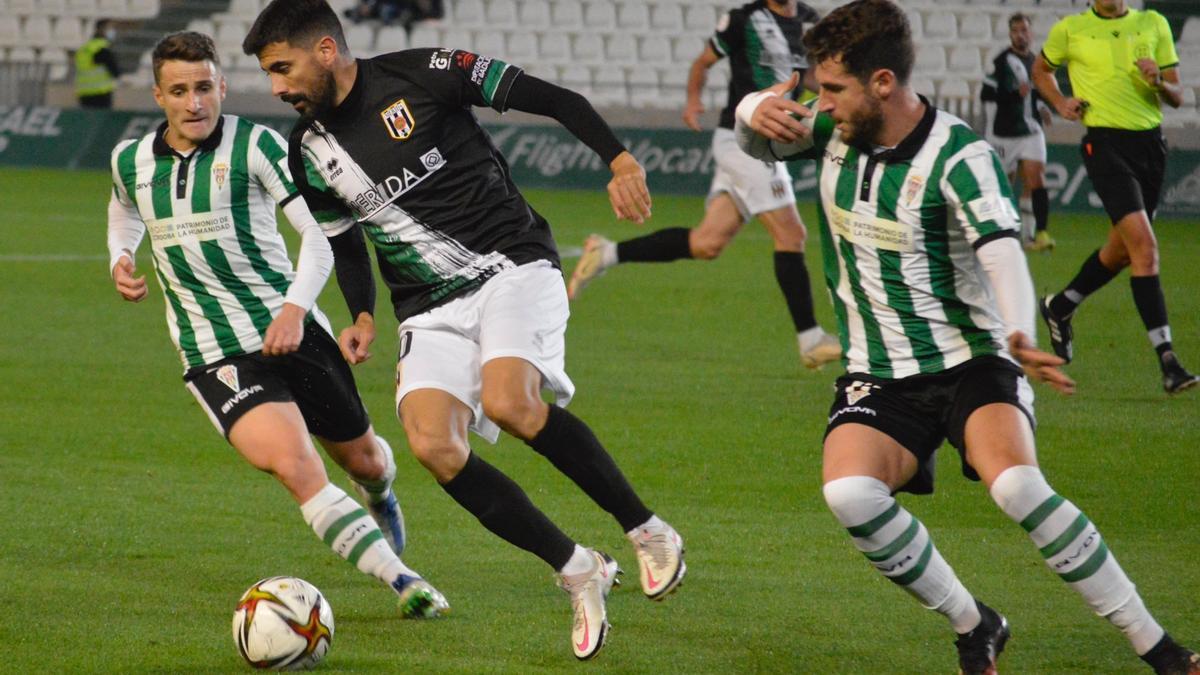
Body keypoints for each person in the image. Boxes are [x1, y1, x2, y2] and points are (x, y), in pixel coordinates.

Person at [735, 1, 1199, 672]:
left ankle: (1159, 648)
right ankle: (974, 619)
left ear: (884, 83)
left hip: (973, 357)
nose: (822, 102)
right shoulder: (832, 130)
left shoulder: (959, 154)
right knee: (849, 494)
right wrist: (754, 108)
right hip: (878, 367)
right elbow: (757, 135)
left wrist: (1017, 329)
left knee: (1015, 486)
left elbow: (1001, 249)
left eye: (834, 88)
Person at [242, 0, 685, 661]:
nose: (277, 87)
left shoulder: (426, 74)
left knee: (510, 400)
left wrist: (620, 160)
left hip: (510, 262)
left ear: (326, 51)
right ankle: (576, 568)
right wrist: (362, 313)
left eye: (283, 67)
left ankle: (647, 530)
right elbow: (346, 242)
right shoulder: (308, 150)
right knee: (433, 445)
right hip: (426, 305)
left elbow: (555, 97)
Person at [105, 31, 448, 620]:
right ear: (158, 95)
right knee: (296, 467)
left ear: (223, 86)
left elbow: (319, 238)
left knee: (365, 460)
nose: (195, 104)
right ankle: (404, 582)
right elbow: (123, 208)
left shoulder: (258, 145)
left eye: (205, 88)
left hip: (295, 332)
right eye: (181, 91)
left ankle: (380, 493)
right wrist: (121, 255)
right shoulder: (128, 160)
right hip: (214, 352)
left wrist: (294, 308)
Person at [567, 0, 841, 370]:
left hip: (773, 141)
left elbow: (805, 76)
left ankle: (606, 253)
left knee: (707, 243)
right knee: (791, 235)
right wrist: (693, 100)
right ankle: (810, 339)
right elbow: (702, 63)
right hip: (744, 140)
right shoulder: (743, 20)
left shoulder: (809, 20)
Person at [1032, 0, 1198, 394]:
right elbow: (1041, 70)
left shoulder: (1153, 23)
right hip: (1103, 143)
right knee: (1145, 247)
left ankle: (1060, 306)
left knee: (1122, 250)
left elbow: (1178, 95)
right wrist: (1060, 102)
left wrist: (1158, 81)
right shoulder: (1071, 29)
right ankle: (1169, 361)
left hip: (1151, 147)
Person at [981, 12, 1056, 252]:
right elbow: (986, 94)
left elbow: (1033, 95)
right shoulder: (1001, 61)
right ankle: (1000, 234)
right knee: (1004, 186)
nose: (1020, 34)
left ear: (1031, 33)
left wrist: (1043, 107)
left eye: (1024, 30)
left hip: (1031, 130)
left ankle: (1037, 234)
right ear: (1010, 33)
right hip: (1004, 133)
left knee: (1037, 181)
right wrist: (1014, 94)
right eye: (1015, 30)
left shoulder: (1035, 62)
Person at [76, 19, 121, 109]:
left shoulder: (84, 48)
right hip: (101, 94)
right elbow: (115, 72)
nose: (112, 31)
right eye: (110, 28)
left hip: (83, 93)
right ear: (101, 29)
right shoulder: (103, 50)